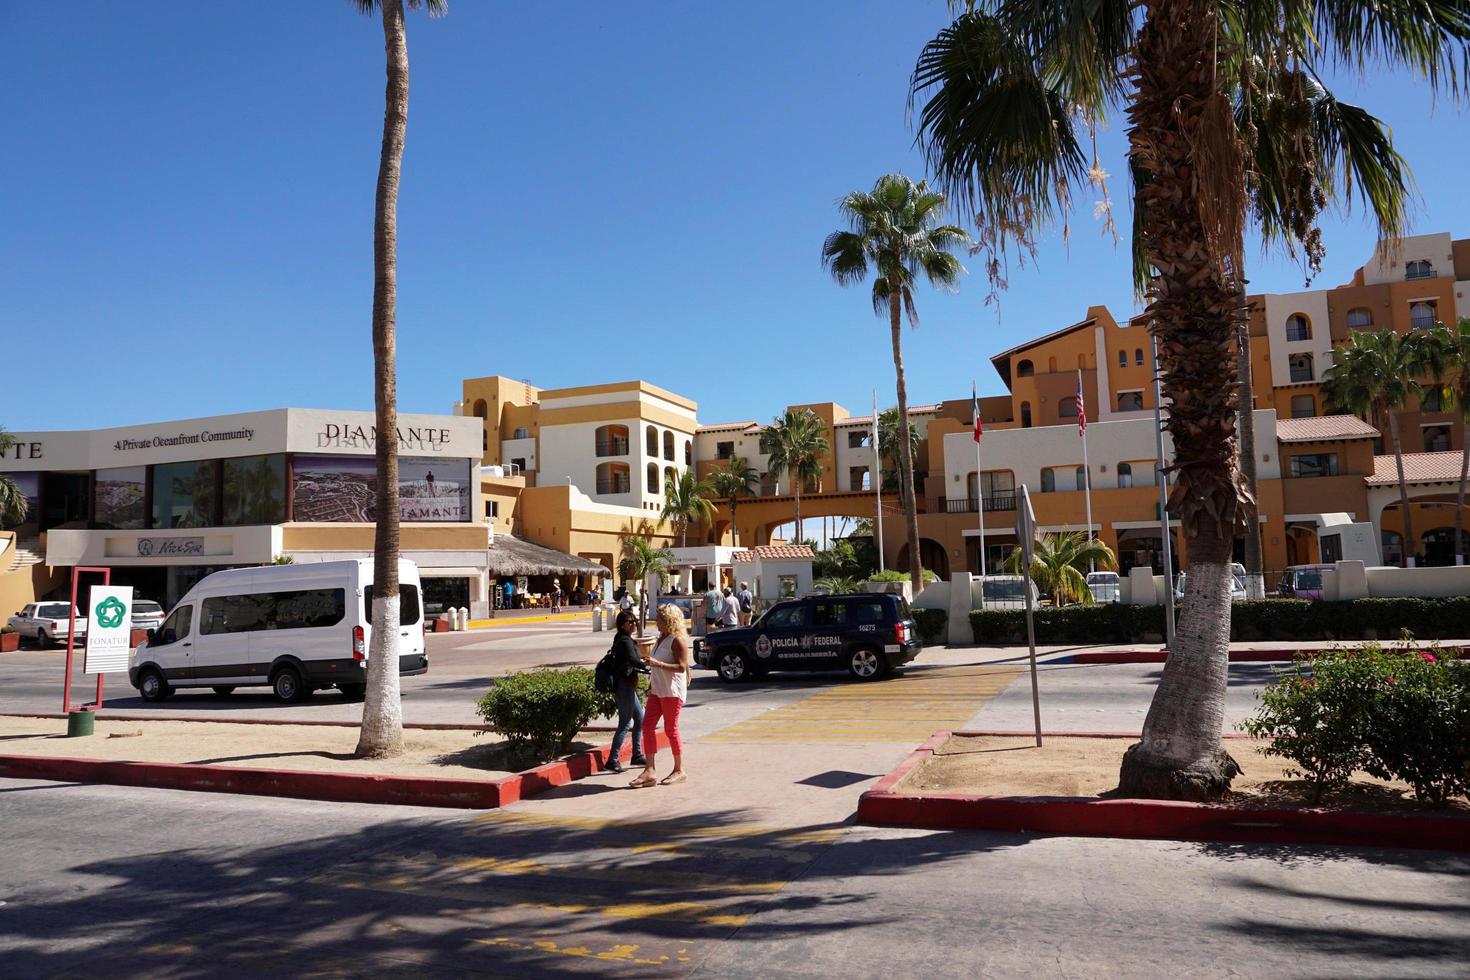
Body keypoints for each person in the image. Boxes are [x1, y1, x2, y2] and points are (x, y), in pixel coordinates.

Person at [631, 604, 690, 787]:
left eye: (659, 618)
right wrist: (651, 683)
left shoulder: (677, 640)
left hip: (672, 691)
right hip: (657, 690)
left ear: (668, 621)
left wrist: (657, 664)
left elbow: (681, 667)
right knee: (647, 726)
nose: (656, 621)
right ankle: (650, 770)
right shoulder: (661, 638)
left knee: (670, 729)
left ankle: (679, 769)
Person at [605, 610, 647, 774]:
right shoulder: (624, 640)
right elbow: (633, 660)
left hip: (628, 684)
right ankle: (612, 759)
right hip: (624, 685)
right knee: (625, 723)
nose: (633, 623)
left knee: (639, 718)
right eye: (629, 621)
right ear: (622, 624)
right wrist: (647, 665)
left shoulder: (624, 639)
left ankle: (636, 754)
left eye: (634, 620)